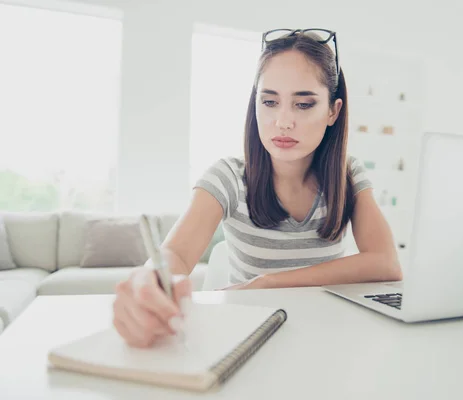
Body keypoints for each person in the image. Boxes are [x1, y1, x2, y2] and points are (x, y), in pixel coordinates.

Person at [112, 28, 403, 348]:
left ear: (333, 111)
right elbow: (176, 254)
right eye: (269, 101)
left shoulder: (348, 175)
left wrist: (268, 284)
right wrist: (150, 279)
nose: (283, 121)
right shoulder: (228, 177)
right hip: (248, 336)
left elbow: (385, 263)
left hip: (328, 336)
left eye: (303, 104)